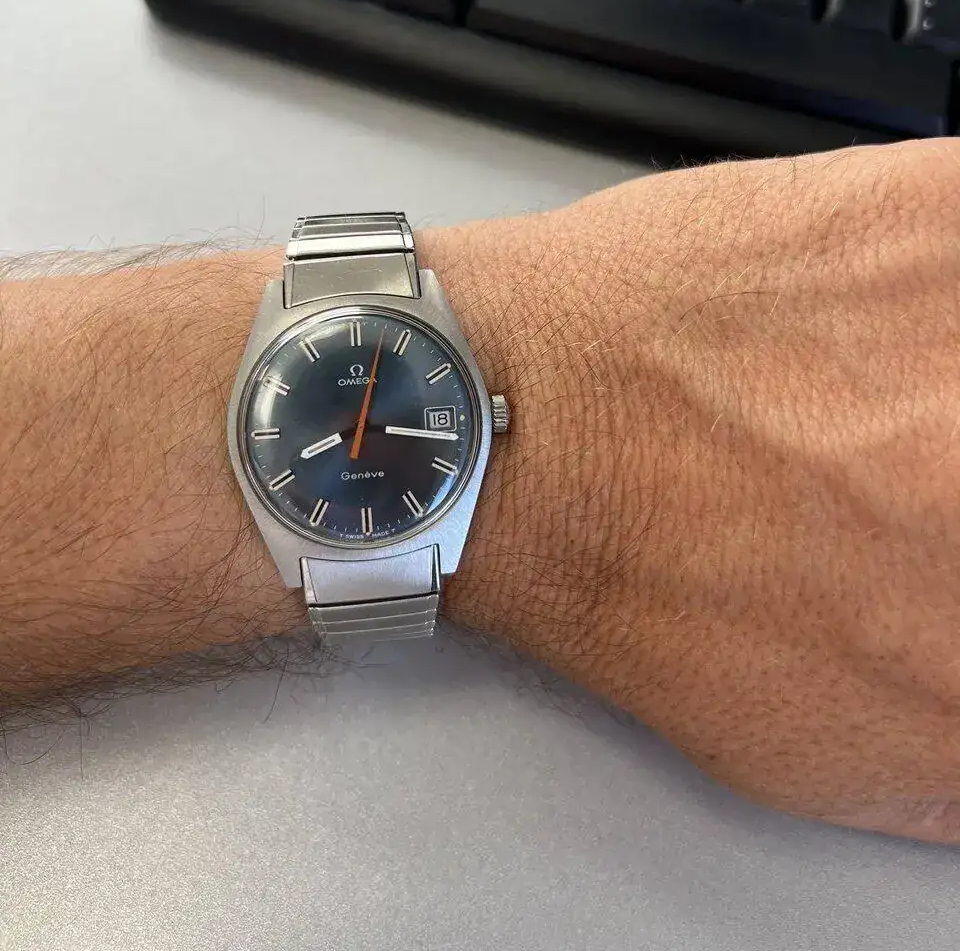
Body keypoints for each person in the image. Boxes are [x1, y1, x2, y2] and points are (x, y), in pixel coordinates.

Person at [2, 139, 959, 845]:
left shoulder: (418, 429)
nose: (360, 439)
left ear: (486, 412)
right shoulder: (287, 433)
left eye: (374, 426)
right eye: (353, 433)